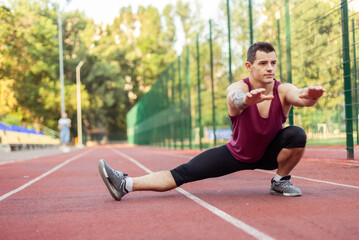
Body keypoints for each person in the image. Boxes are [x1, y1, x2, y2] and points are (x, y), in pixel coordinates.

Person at [98, 42, 325, 200]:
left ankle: (280, 181)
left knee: (296, 134)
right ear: (249, 66)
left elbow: (301, 97)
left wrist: (311, 96)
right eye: (263, 63)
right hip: (236, 154)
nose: (270, 68)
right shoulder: (239, 88)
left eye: (273, 63)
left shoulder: (283, 90)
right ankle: (125, 184)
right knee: (182, 173)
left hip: (269, 155)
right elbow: (235, 99)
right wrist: (246, 99)